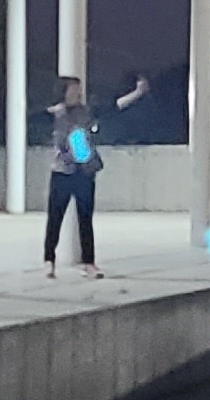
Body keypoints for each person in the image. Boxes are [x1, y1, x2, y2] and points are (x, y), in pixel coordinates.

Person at [44, 73, 146, 275]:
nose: (77, 93)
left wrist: (137, 93)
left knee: (85, 218)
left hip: (84, 171)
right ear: (64, 91)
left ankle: (88, 262)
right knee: (55, 218)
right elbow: (31, 117)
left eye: (78, 90)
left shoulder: (86, 111)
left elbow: (114, 107)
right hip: (62, 171)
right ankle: (49, 260)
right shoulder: (54, 113)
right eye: (73, 89)